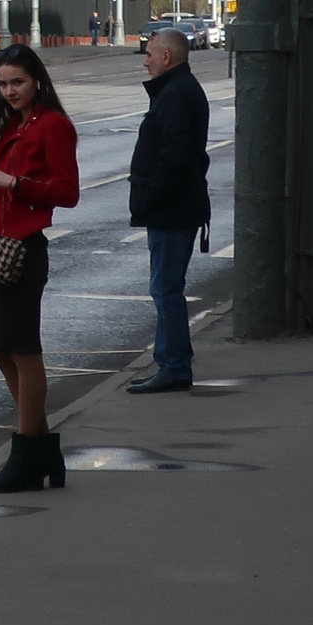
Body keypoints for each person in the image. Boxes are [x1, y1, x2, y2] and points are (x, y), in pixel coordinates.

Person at [0, 42, 81, 493]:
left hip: (21, 251)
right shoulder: (12, 123)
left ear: (37, 81)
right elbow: (2, 183)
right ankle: (44, 451)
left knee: (23, 349)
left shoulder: (53, 125)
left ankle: (26, 453)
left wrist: (14, 183)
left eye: (18, 82)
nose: (10, 91)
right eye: (3, 84)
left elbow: (67, 192)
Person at [128, 28, 212, 394]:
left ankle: (174, 367)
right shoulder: (179, 90)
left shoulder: (176, 94)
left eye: (149, 54)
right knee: (166, 288)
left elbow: (174, 157)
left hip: (172, 209)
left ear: (166, 57)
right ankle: (171, 362)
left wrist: (148, 197)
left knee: (165, 290)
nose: (145, 61)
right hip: (176, 207)